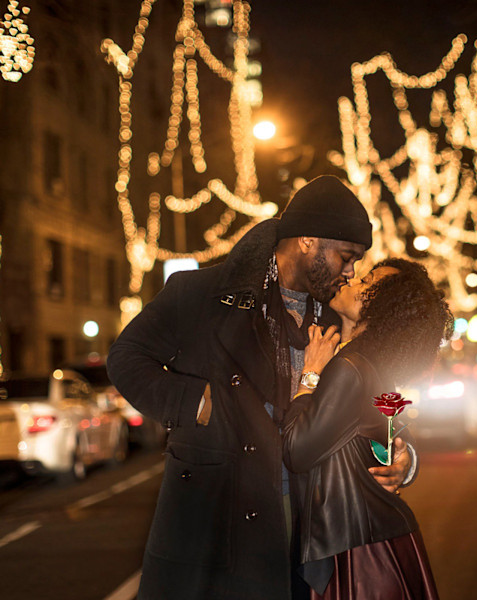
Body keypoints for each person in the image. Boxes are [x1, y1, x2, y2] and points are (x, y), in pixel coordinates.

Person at [107, 176, 418, 600]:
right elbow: (125, 358)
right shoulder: (201, 294)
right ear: (308, 240)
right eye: (347, 256)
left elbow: (372, 401)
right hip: (216, 514)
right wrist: (194, 402)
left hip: (304, 525)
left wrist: (404, 454)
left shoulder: (336, 313)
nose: (352, 271)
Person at [283, 258, 454, 600]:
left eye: (368, 283)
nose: (353, 279)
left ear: (380, 310)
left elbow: (296, 450)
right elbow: (390, 433)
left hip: (353, 549)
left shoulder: (350, 366)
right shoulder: (366, 362)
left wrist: (310, 375)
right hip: (372, 537)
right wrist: (405, 459)